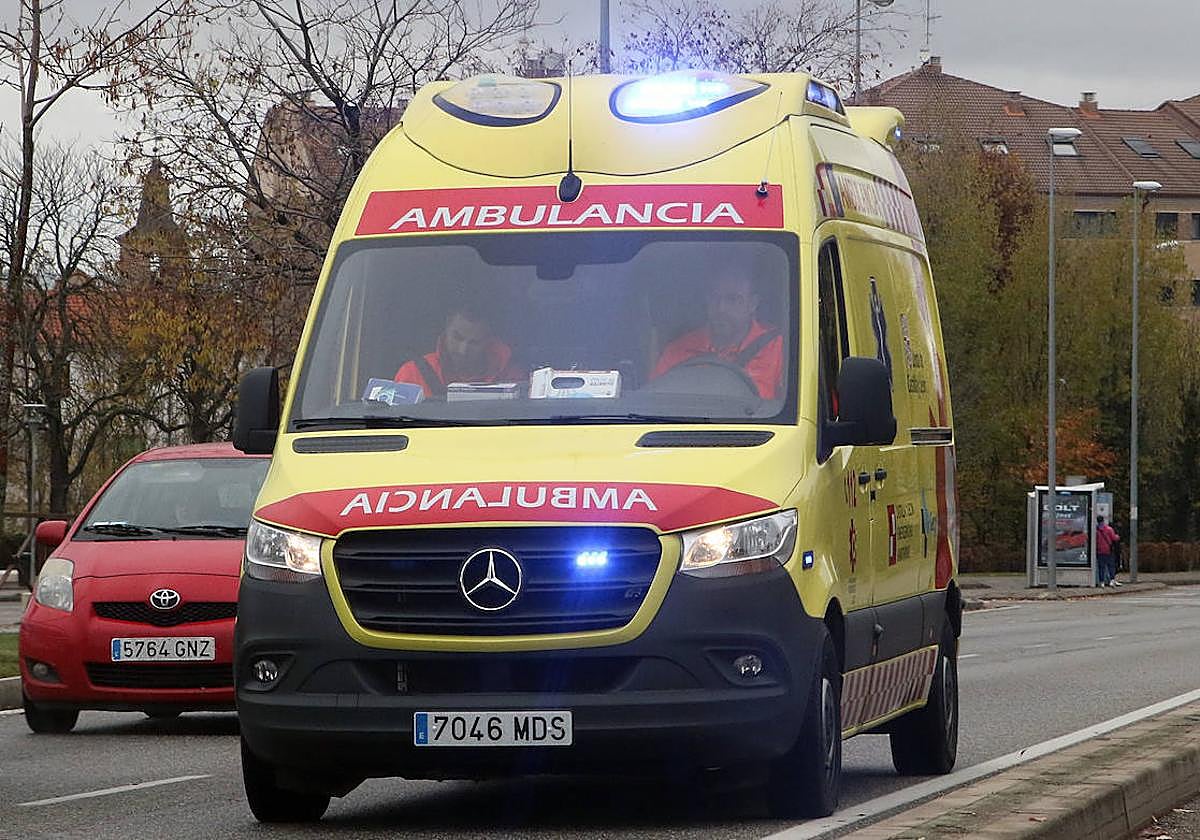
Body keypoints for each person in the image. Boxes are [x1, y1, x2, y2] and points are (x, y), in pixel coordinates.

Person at [652, 274, 784, 398]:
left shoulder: (777, 349)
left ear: (752, 304)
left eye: (733, 299)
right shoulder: (677, 350)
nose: (721, 308)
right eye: (714, 298)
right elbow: (655, 403)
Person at [395, 306, 521, 399]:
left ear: (488, 342)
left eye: (474, 343)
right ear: (446, 331)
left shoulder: (512, 379)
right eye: (457, 337)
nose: (463, 350)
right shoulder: (412, 374)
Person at [1096, 515, 1121, 587]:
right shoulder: (1109, 529)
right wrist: (1117, 536)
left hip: (1100, 551)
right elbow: (1114, 538)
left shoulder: (1095, 530)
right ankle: (1111, 580)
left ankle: (1102, 582)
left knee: (1101, 567)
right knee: (1111, 566)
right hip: (1108, 550)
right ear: (1103, 520)